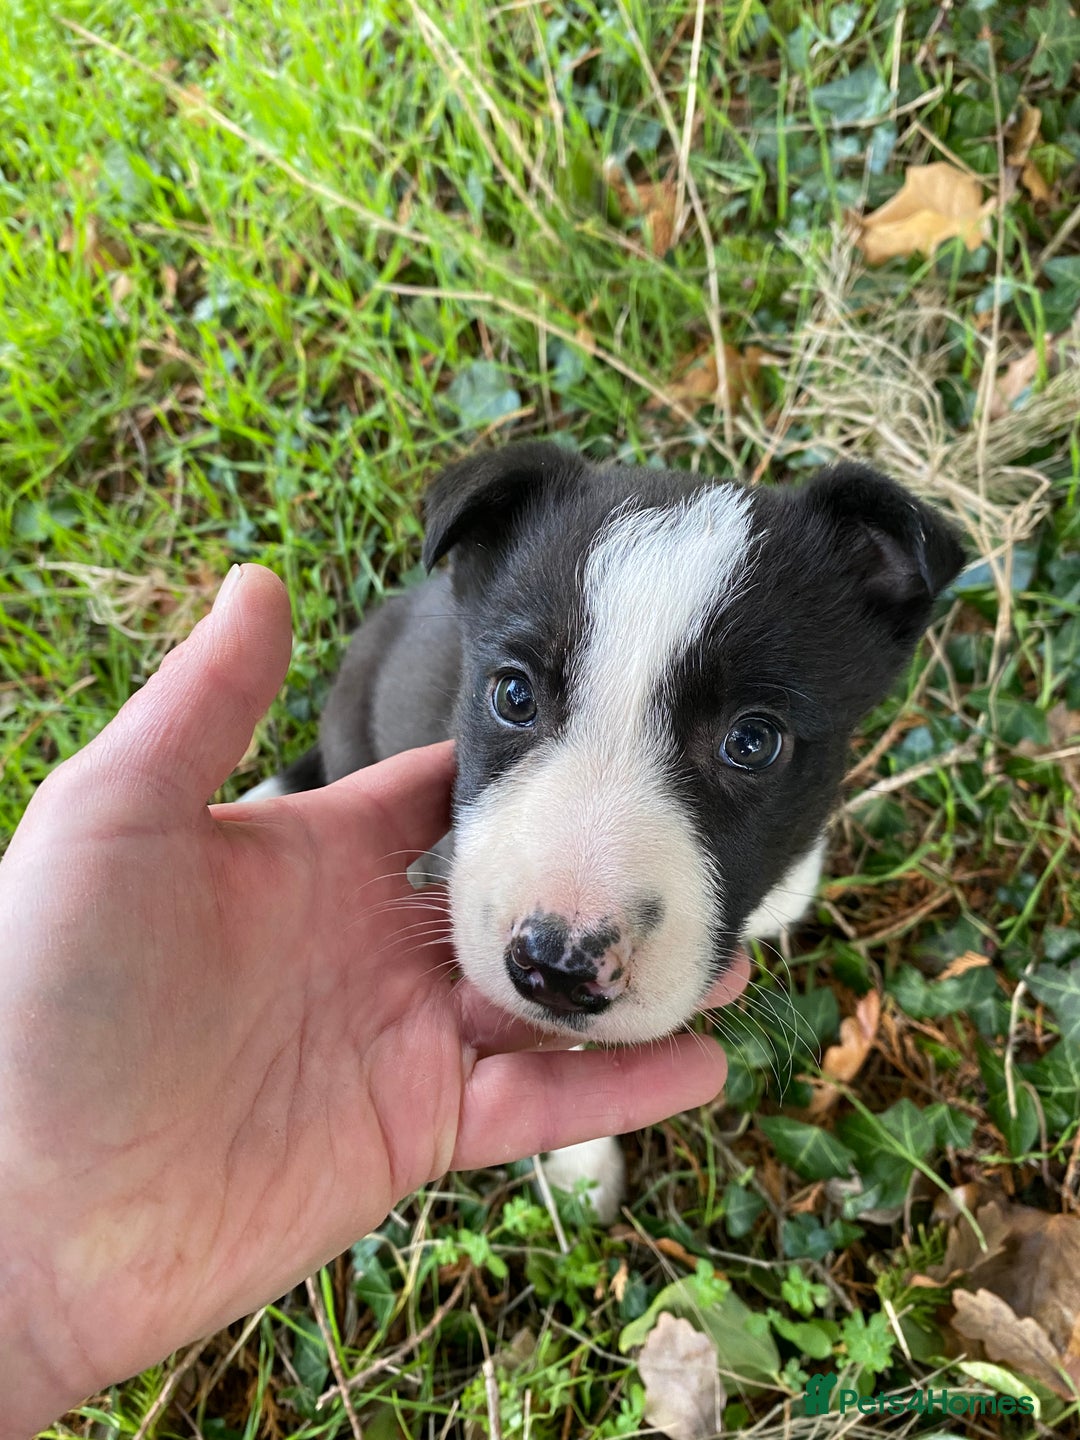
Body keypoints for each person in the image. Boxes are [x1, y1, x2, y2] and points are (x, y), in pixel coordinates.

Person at [0, 564, 746, 1435]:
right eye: (515, 695)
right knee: (358, 759)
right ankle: (300, 788)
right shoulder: (428, 658)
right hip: (379, 748)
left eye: (750, 742)